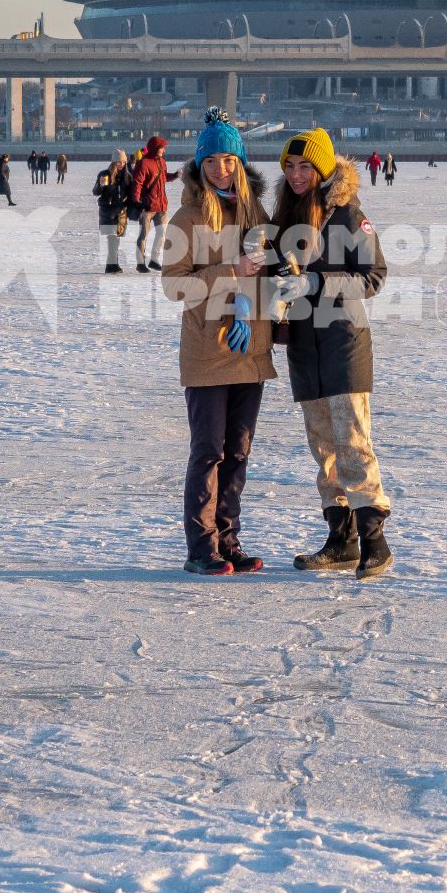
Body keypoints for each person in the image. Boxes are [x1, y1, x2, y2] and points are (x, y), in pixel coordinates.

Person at [271, 128, 394, 579]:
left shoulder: (348, 217)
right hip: (305, 348)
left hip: (343, 344)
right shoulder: (286, 218)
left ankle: (375, 543)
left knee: (353, 442)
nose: (297, 174)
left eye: (306, 166)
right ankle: (340, 540)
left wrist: (318, 283)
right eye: (289, 166)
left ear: (324, 168)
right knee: (323, 446)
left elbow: (374, 277)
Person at [162, 110, 275, 575]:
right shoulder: (186, 219)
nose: (220, 168)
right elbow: (174, 285)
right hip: (209, 349)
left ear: (241, 163)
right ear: (200, 165)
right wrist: (231, 273)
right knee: (208, 449)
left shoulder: (257, 215)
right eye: (212, 161)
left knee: (239, 451)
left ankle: (228, 539)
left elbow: (271, 275)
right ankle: (200, 547)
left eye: (228, 160)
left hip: (251, 348)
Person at [130, 135, 170, 272]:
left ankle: (154, 260)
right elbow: (137, 183)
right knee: (143, 235)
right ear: (155, 148)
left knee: (162, 234)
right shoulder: (143, 163)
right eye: (162, 148)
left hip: (161, 206)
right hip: (147, 206)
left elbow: (164, 178)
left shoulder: (162, 162)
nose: (164, 150)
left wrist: (176, 175)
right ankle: (140, 263)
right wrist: (136, 200)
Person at [93, 150, 130, 273]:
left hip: (121, 212)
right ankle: (112, 265)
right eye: (119, 162)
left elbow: (131, 193)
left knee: (116, 239)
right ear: (113, 162)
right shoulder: (105, 174)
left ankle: (111, 265)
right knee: (112, 238)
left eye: (124, 162)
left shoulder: (127, 176)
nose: (121, 164)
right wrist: (100, 185)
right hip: (108, 211)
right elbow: (96, 192)